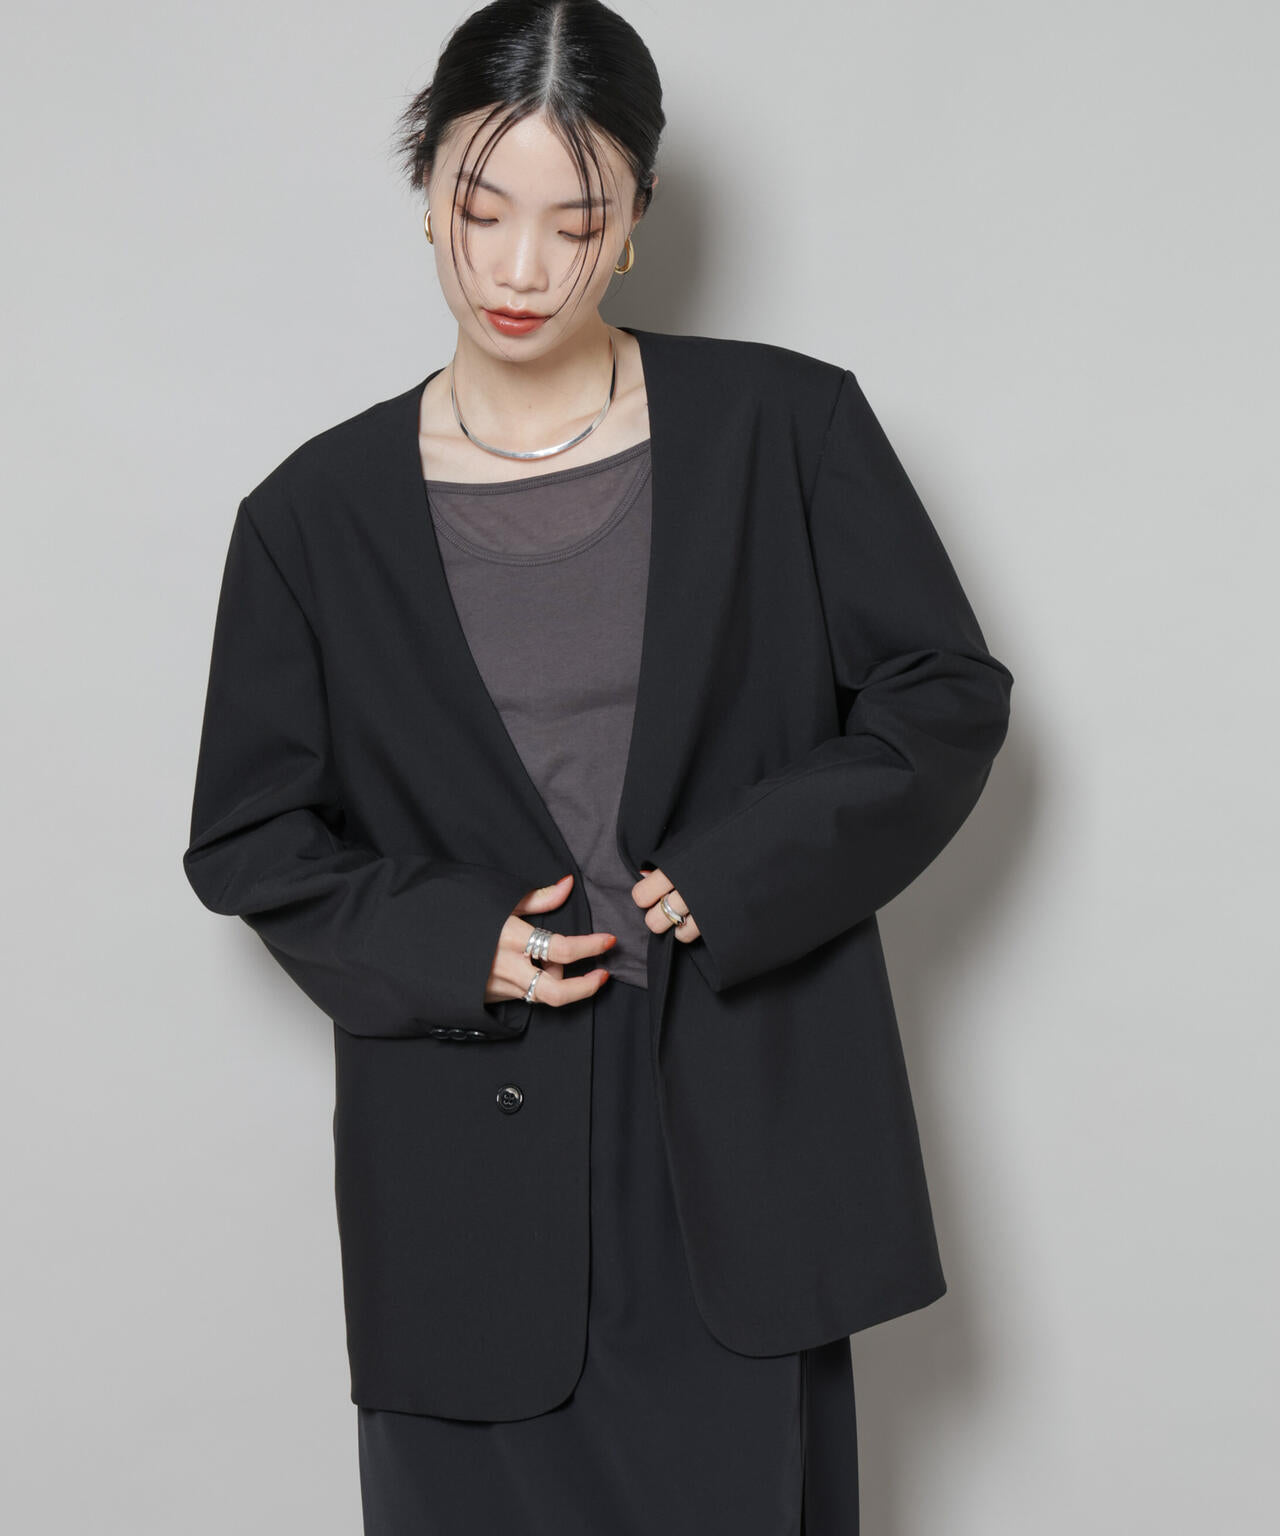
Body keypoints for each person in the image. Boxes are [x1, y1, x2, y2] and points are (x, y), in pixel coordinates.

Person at [183, 2, 1014, 1532]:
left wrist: (742, 870)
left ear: (634, 223)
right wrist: (455, 939)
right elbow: (250, 837)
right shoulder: (310, 519)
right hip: (465, 1173)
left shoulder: (787, 429)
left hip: (741, 1138)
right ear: (425, 192)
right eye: (481, 209)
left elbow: (942, 695)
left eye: (575, 223)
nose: (519, 268)